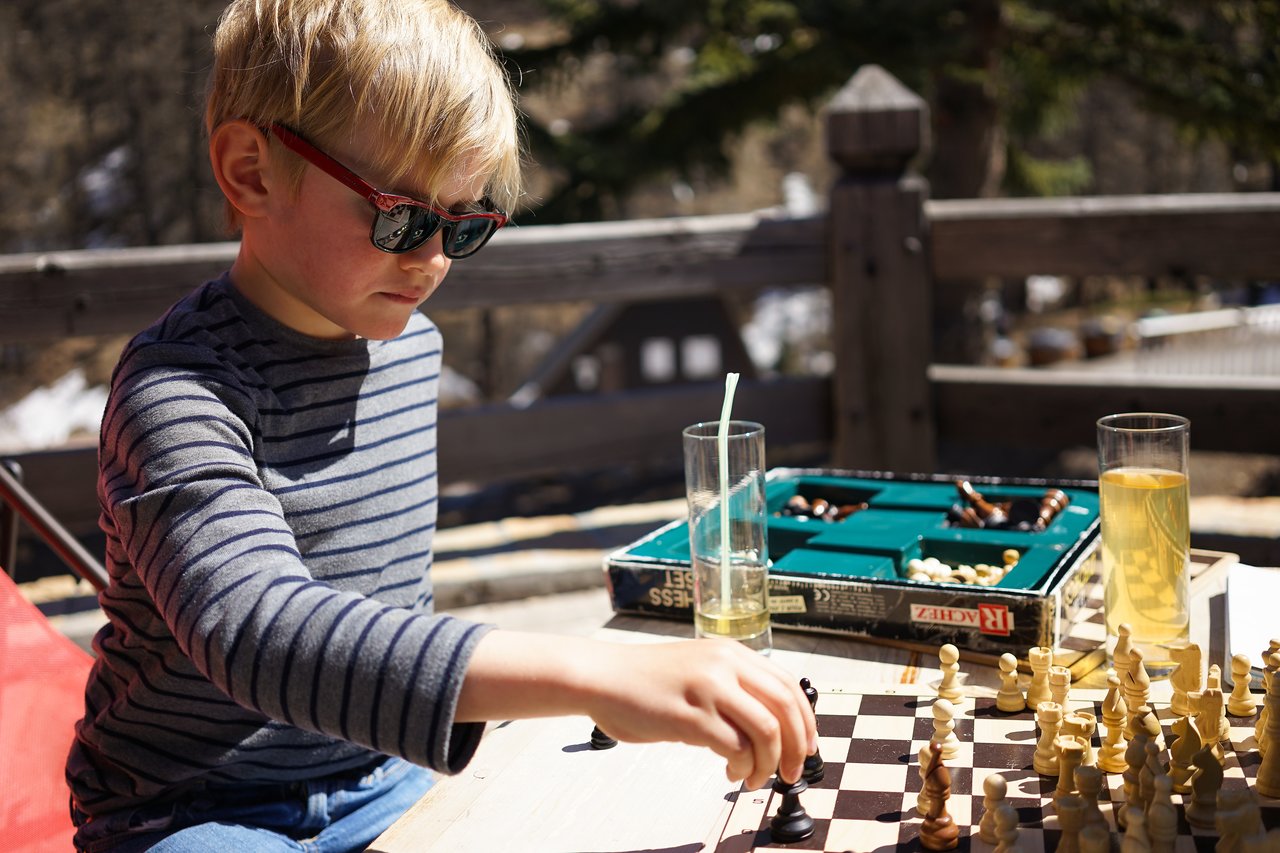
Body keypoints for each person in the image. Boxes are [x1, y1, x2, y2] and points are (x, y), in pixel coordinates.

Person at [65, 1, 817, 850]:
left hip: (386, 771)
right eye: (401, 216)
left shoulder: (412, 348)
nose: (429, 261)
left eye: (463, 225)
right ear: (252, 172)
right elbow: (258, 630)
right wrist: (590, 668)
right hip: (194, 805)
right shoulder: (176, 388)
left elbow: (392, 604)